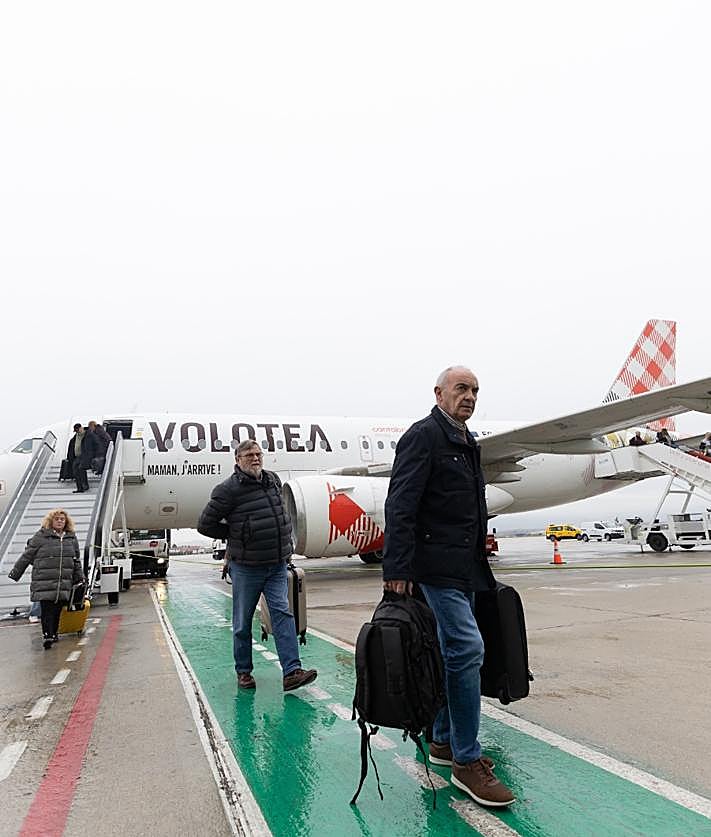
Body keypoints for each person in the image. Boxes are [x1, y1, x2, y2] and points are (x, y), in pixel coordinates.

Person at [382, 366, 515, 808]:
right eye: (462, 388)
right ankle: (466, 760)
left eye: (475, 390)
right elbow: (400, 504)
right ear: (439, 392)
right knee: (466, 649)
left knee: (446, 651)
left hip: (465, 567)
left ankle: (441, 739)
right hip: (435, 567)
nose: (470, 396)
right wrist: (396, 569)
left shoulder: (465, 439)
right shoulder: (424, 436)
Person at [197, 439, 317, 692]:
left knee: (283, 614)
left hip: (276, 564)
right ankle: (244, 672)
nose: (256, 458)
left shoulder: (272, 480)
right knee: (242, 622)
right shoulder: (227, 490)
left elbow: (278, 515)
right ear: (237, 461)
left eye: (258, 454)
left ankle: (292, 671)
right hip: (247, 567)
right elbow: (205, 524)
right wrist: (235, 535)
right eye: (249, 455)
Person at [8, 509, 83, 648]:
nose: (60, 521)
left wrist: (80, 577)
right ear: (51, 521)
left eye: (62, 519)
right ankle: (47, 635)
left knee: (57, 609)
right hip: (44, 579)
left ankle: (53, 633)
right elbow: (27, 555)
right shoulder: (40, 536)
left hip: (62, 581)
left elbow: (75, 559)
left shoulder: (71, 538)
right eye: (57, 519)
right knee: (47, 608)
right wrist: (15, 573)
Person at [67, 423, 100, 493]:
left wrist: (95, 455)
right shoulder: (75, 437)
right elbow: (72, 446)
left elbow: (97, 444)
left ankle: (85, 485)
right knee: (75, 471)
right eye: (76, 431)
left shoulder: (89, 435)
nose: (77, 432)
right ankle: (80, 488)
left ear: (81, 428)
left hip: (85, 456)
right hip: (77, 457)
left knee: (81, 468)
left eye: (78, 430)